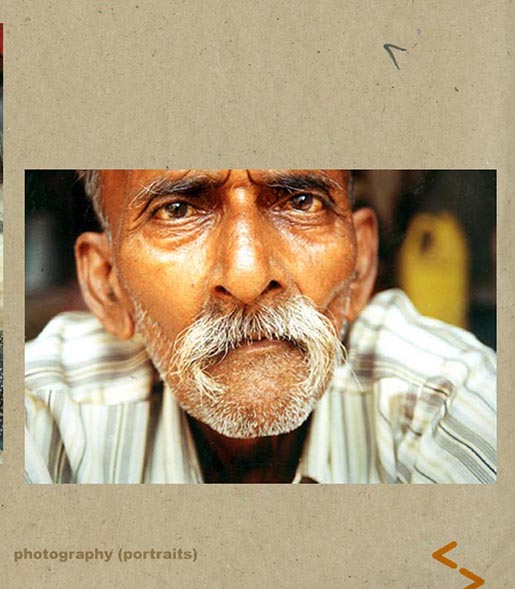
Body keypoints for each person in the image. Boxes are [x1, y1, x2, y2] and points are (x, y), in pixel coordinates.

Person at [25, 169, 496, 484]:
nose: (248, 276)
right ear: (109, 287)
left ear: (361, 266)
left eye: (301, 201)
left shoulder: (445, 398)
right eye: (178, 210)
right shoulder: (37, 412)